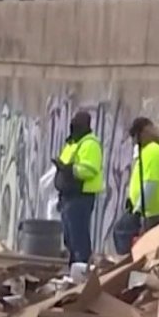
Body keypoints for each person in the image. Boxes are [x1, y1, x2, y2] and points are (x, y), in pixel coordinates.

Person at [53, 111, 104, 265]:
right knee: (69, 237)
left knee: (79, 236)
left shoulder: (90, 144)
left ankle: (82, 269)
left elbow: (90, 170)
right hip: (67, 195)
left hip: (80, 195)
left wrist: (70, 169)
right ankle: (74, 268)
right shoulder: (73, 143)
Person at [126, 117, 159, 231]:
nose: (135, 140)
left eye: (136, 135)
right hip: (149, 213)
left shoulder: (154, 151)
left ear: (145, 133)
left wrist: (138, 209)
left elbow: (150, 183)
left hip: (154, 214)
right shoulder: (146, 151)